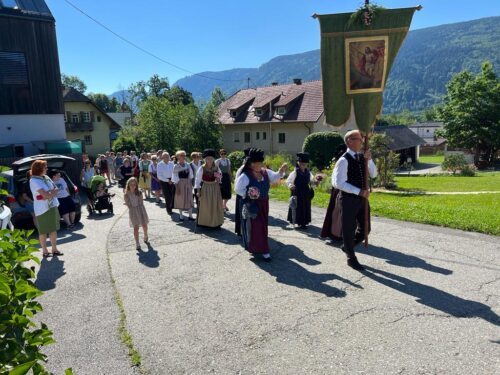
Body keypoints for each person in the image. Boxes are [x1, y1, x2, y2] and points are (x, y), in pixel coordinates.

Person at [332, 130, 377, 271]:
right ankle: (351, 258)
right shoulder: (343, 160)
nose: (362, 141)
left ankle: (347, 246)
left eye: (362, 139)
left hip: (362, 199)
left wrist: (369, 160)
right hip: (349, 199)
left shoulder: (362, 157)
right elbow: (338, 183)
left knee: (365, 229)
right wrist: (359, 191)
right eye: (359, 139)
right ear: (349, 141)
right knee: (349, 230)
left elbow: (374, 174)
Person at [235, 148, 288, 261]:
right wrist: (249, 194)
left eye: (260, 163)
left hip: (264, 203)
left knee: (262, 226)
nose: (259, 165)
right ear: (252, 163)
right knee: (255, 226)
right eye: (257, 163)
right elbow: (238, 189)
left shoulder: (265, 172)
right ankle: (263, 250)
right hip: (252, 205)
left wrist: (280, 171)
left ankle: (259, 247)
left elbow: (275, 178)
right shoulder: (246, 175)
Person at [29, 160, 63, 258]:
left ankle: (54, 249)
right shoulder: (34, 181)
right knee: (43, 231)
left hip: (52, 206)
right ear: (39, 169)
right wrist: (49, 194)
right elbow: (45, 195)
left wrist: (48, 194)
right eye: (45, 167)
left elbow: (56, 189)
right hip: (42, 209)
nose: (47, 169)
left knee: (53, 229)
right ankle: (45, 251)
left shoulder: (46, 177)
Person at [194, 149, 224, 228]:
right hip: (206, 187)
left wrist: (218, 179)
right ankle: (205, 223)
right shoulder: (202, 168)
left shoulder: (216, 168)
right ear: (205, 159)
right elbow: (197, 180)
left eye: (211, 158)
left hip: (215, 187)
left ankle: (215, 222)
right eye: (207, 158)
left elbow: (220, 178)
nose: (209, 160)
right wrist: (198, 191)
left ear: (213, 159)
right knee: (206, 205)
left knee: (215, 205)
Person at [286, 153, 315, 229]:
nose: (303, 165)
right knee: (297, 207)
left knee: (305, 207)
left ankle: (304, 222)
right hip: (297, 192)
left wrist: (314, 183)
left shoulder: (308, 173)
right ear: (298, 163)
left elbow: (311, 181)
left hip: (305, 192)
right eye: (301, 164)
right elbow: (288, 181)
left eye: (305, 164)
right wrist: (290, 185)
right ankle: (296, 221)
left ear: (307, 164)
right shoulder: (295, 172)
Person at [124, 177, 149, 250]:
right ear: (128, 185)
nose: (133, 186)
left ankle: (145, 235)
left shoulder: (139, 192)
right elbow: (128, 204)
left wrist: (138, 208)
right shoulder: (126, 194)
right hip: (133, 212)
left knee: (144, 225)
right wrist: (129, 205)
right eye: (131, 184)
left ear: (136, 185)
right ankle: (137, 243)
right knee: (136, 228)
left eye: (134, 184)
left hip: (141, 210)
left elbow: (141, 202)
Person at [172, 150, 194, 221]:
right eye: (181, 155)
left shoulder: (188, 164)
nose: (183, 157)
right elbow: (175, 178)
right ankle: (181, 216)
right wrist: (177, 188)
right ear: (178, 157)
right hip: (180, 184)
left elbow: (191, 175)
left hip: (188, 183)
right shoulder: (176, 166)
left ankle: (190, 216)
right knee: (180, 199)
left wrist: (190, 184)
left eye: (184, 155)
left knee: (189, 198)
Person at [234, 147, 251, 236]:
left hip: (250, 195)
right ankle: (241, 230)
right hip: (242, 194)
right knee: (242, 212)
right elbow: (237, 183)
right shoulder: (242, 169)